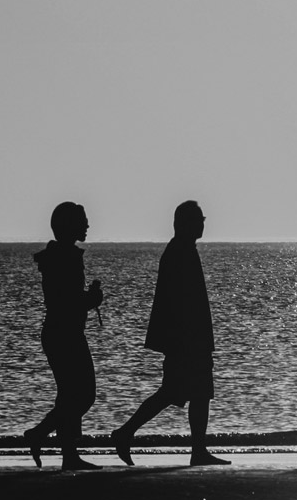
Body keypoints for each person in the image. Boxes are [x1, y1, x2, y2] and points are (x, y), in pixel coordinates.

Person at [110, 200, 230, 466]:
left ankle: (196, 449)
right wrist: (187, 340)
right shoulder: (179, 252)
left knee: (193, 393)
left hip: (188, 339)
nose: (202, 224)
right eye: (197, 220)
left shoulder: (183, 250)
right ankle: (127, 433)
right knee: (177, 392)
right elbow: (178, 302)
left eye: (203, 219)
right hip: (186, 340)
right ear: (183, 223)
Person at [25, 201, 104, 470]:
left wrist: (87, 300)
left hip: (59, 332)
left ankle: (69, 454)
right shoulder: (66, 257)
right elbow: (66, 301)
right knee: (84, 395)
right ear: (70, 225)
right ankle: (40, 434)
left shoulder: (59, 255)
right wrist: (92, 300)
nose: (87, 225)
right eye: (82, 220)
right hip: (65, 333)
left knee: (69, 394)